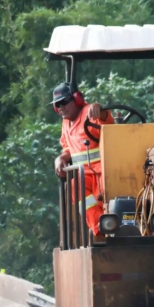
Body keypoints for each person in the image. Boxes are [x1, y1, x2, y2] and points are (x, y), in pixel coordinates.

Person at [53, 82, 114, 236]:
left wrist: (100, 110)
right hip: (84, 175)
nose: (60, 107)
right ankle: (100, 229)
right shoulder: (66, 123)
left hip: (103, 172)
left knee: (105, 199)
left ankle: (113, 228)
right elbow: (67, 147)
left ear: (77, 99)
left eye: (64, 102)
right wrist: (61, 158)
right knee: (73, 187)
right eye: (57, 104)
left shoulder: (90, 113)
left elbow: (108, 124)